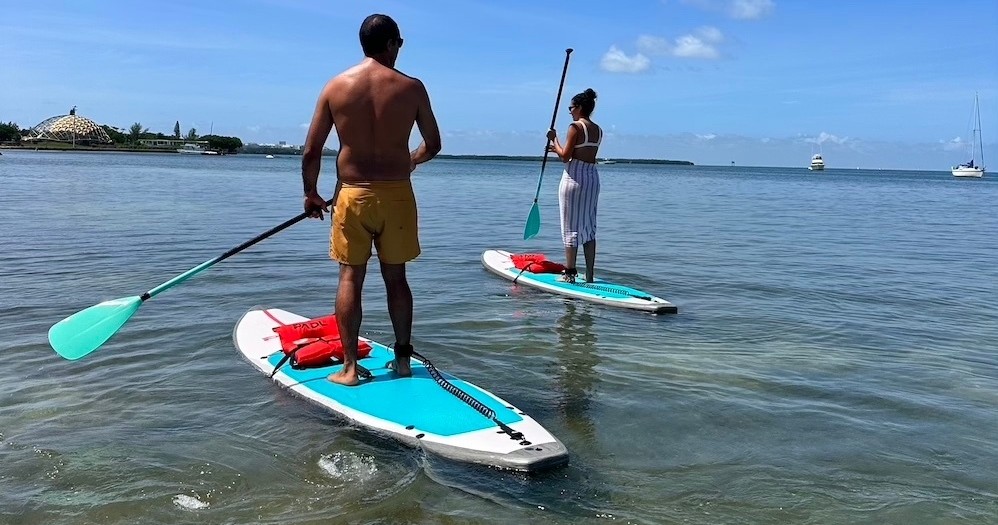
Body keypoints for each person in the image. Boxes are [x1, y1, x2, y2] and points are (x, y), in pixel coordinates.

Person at [300, 13, 442, 386]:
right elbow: (434, 144)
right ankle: (403, 359)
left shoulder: (336, 86)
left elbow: (312, 150)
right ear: (393, 43)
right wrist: (409, 161)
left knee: (350, 276)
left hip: (352, 194)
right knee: (397, 278)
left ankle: (348, 368)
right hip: (396, 194)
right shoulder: (412, 88)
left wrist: (311, 194)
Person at [546, 88, 601, 283]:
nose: (570, 111)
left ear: (579, 108)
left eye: (571, 108)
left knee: (570, 225)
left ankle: (569, 273)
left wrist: (554, 140)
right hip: (592, 178)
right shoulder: (598, 129)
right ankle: (590, 275)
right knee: (588, 226)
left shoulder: (575, 127)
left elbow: (565, 156)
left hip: (574, 177)